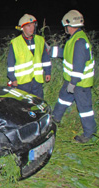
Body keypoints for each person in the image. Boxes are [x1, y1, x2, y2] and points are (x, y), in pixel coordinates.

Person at [51, 10, 96, 143]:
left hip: (79, 84)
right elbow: (67, 53)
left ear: (68, 25)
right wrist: (50, 50)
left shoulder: (79, 41)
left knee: (84, 109)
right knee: (63, 98)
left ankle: (89, 133)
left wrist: (73, 82)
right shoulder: (76, 38)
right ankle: (55, 118)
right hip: (72, 81)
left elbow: (79, 64)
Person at [7, 14, 51, 99]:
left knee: (38, 102)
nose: (32, 28)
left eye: (33, 25)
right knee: (23, 105)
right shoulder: (15, 43)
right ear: (22, 28)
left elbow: (45, 57)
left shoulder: (40, 40)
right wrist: (13, 78)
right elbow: (10, 63)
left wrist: (48, 71)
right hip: (22, 82)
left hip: (37, 80)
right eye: (28, 26)